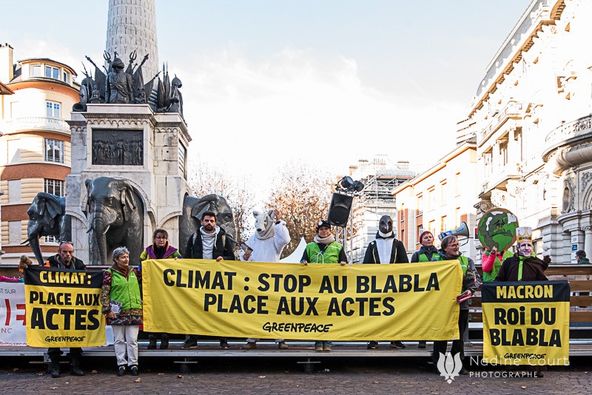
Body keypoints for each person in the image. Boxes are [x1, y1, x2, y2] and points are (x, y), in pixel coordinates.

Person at [184, 211, 236, 349]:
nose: (209, 223)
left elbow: (232, 258)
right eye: (206, 220)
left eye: (212, 221)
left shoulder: (223, 238)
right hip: (198, 280)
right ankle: (192, 339)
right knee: (194, 309)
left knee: (219, 310)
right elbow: (186, 258)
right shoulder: (194, 237)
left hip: (217, 280)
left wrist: (223, 259)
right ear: (201, 222)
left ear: (215, 222)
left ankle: (223, 339)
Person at [243, 210, 291, 350]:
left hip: (273, 280)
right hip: (255, 280)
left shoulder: (275, 238)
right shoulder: (253, 238)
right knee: (254, 309)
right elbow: (244, 255)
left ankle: (280, 338)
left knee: (275, 309)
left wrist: (278, 222)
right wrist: (245, 257)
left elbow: (286, 239)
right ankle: (252, 338)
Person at [431, 235, 479, 374]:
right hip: (441, 305)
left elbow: (473, 279)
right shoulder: (436, 261)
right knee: (441, 336)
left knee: (459, 337)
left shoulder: (466, 261)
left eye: (457, 244)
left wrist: (470, 290)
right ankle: (438, 364)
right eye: (453, 245)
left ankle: (458, 365)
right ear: (445, 248)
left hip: (461, 304)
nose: (456, 246)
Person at [301, 220, 348, 352]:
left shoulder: (337, 247)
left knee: (328, 314)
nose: (324, 231)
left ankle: (327, 341)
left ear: (330, 231)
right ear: (318, 231)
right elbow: (303, 261)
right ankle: (317, 341)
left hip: (331, 287)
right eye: (321, 229)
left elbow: (345, 262)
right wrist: (304, 262)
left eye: (326, 229)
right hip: (314, 286)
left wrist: (343, 264)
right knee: (316, 314)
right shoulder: (310, 246)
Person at [363, 215, 408, 350]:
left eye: (388, 223)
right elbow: (366, 265)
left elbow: (405, 264)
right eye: (383, 223)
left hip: (394, 284)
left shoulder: (398, 244)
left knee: (396, 311)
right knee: (375, 311)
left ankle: (396, 338)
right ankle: (373, 338)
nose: (385, 226)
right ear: (379, 225)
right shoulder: (372, 245)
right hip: (376, 284)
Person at [44, 242, 86, 378]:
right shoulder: (50, 262)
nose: (68, 255)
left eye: (70, 252)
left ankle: (75, 365)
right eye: (65, 252)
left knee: (75, 335)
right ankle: (55, 366)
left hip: (73, 305)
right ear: (59, 252)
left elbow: (85, 281)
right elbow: (42, 276)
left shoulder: (79, 264)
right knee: (55, 336)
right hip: (55, 306)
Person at [101, 247, 142, 376]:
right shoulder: (110, 273)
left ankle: (133, 364)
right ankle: (121, 364)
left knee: (132, 340)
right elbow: (105, 292)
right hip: (117, 311)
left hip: (134, 310)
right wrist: (107, 310)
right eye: (123, 257)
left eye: (127, 257)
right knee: (118, 339)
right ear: (116, 259)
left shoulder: (134, 272)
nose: (126, 259)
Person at [140, 229, 182, 350]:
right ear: (154, 239)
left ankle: (165, 339)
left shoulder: (174, 252)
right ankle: (152, 339)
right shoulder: (147, 251)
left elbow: (182, 264)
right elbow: (141, 264)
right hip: (151, 288)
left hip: (167, 289)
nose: (161, 240)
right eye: (158, 237)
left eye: (163, 237)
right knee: (151, 313)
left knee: (165, 313)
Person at [410, 230, 441, 348]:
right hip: (421, 290)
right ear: (421, 241)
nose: (428, 239)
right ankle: (422, 339)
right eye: (425, 237)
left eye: (430, 237)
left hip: (436, 289)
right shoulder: (416, 255)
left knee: (435, 315)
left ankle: (435, 339)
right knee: (422, 315)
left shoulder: (439, 254)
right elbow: (412, 271)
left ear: (433, 239)